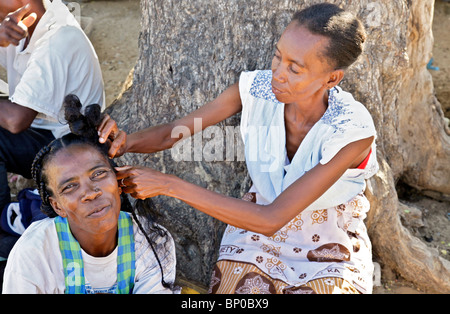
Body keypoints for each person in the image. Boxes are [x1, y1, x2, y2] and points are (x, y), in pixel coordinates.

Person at [99, 3, 378, 294]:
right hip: (254, 228)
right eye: (277, 57)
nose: (278, 74)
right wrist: (126, 141)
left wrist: (168, 185)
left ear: (331, 78)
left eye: (294, 69)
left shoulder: (351, 130)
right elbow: (173, 133)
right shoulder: (257, 90)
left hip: (326, 236)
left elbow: (272, 218)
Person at [2, 95, 177, 294]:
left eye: (99, 174)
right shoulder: (35, 252)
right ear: (57, 206)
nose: (90, 193)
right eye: (69, 187)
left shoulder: (151, 241)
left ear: (119, 182)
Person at [0, 0, 104, 218]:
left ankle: (3, 226)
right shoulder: (18, 26)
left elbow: (16, 120)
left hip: (70, 151)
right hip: (45, 135)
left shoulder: (58, 38)